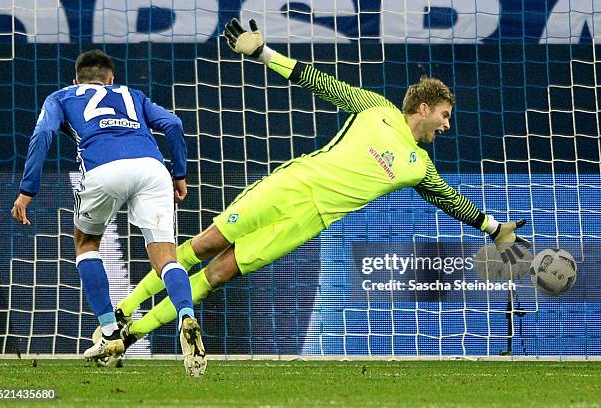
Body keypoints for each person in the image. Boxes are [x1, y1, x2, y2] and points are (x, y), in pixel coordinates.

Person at [89, 19, 530, 362]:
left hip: (308, 221)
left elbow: (449, 199)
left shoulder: (421, 167)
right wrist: (263, 52)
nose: (447, 126)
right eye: (445, 116)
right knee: (205, 244)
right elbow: (318, 81)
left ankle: (129, 336)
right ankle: (122, 312)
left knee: (220, 273)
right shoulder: (375, 107)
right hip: (291, 185)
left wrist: (493, 228)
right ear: (424, 108)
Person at [10, 49, 206, 377]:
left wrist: (28, 190)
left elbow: (43, 134)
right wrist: (180, 173)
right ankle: (186, 314)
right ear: (111, 79)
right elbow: (173, 123)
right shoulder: (133, 94)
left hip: (103, 171)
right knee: (166, 259)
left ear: (76, 80)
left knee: (86, 245)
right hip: (152, 169)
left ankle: (110, 333)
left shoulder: (61, 96)